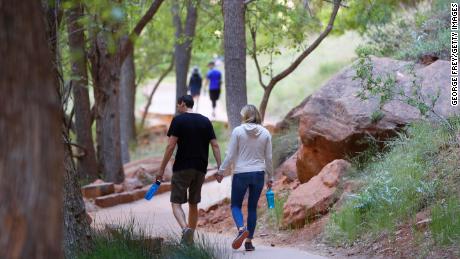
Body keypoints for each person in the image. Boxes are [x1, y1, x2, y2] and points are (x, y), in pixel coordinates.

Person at [157, 95, 222, 245]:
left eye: (178, 105)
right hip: (200, 168)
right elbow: (215, 145)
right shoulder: (205, 121)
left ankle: (185, 229)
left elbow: (170, 146)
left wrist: (161, 170)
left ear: (183, 104)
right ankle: (190, 241)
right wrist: (220, 167)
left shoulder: (178, 120)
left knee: (176, 203)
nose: (177, 107)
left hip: (182, 167)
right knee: (194, 203)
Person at [216, 104, 274, 251]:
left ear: (245, 115)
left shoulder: (238, 131)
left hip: (241, 173)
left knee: (235, 205)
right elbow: (269, 158)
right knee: (252, 208)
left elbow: (230, 155)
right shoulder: (266, 133)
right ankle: (248, 242)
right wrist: (270, 177)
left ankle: (241, 229)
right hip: (258, 174)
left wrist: (221, 171)